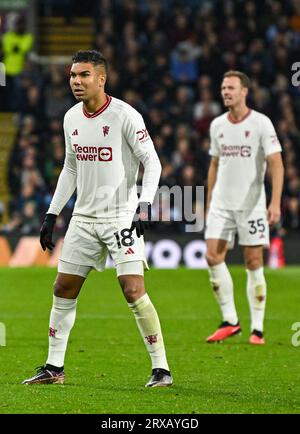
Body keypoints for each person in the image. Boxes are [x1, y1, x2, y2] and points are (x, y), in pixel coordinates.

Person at [22, 50, 173, 388]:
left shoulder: (125, 115)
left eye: (84, 75)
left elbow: (154, 162)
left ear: (101, 79)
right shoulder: (70, 117)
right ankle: (53, 368)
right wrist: (51, 213)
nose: (76, 81)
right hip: (84, 218)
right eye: (73, 75)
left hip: (121, 218)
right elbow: (71, 167)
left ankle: (161, 369)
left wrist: (145, 204)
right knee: (63, 287)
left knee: (132, 289)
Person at [205, 70, 284, 345]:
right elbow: (214, 164)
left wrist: (274, 202)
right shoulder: (217, 125)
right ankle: (230, 320)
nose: (225, 92)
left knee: (253, 262)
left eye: (231, 88)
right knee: (212, 256)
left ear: (244, 91)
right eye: (223, 87)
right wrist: (209, 201)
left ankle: (258, 329)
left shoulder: (261, 123)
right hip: (222, 205)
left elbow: (276, 163)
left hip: (251, 205)